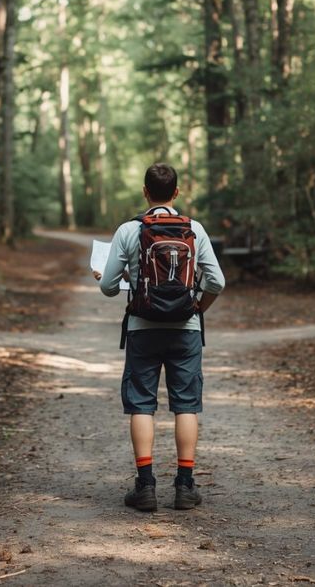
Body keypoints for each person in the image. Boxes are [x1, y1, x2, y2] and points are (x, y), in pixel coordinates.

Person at [92, 163, 225, 511]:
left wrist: (111, 276)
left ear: (145, 192)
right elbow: (217, 282)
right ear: (177, 193)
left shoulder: (128, 231)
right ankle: (184, 486)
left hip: (142, 329)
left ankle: (146, 486)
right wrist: (197, 308)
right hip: (186, 331)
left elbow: (108, 288)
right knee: (186, 405)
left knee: (141, 404)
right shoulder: (194, 228)